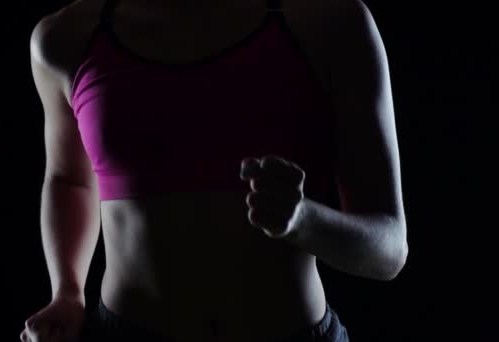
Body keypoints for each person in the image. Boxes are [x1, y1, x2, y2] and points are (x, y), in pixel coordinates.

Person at [21, 0, 408, 340]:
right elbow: (70, 179)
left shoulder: (330, 22)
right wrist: (67, 294)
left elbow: (388, 249)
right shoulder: (66, 38)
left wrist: (304, 221)